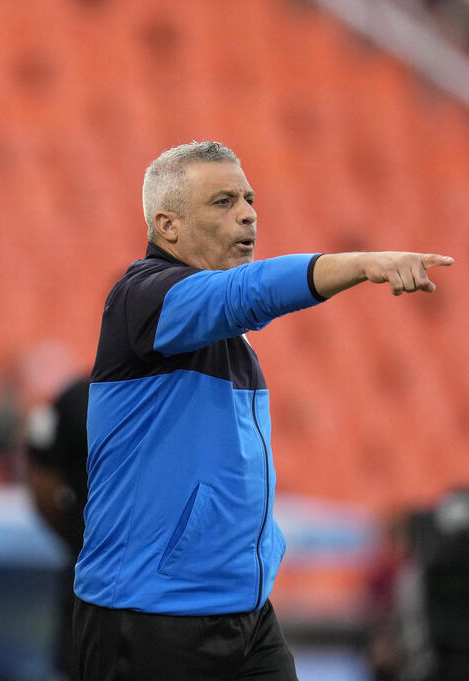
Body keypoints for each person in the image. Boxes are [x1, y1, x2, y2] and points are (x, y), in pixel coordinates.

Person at [73, 141, 454, 681]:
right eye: (223, 201)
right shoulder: (144, 297)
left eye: (249, 199)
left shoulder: (226, 336)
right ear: (169, 225)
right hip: (150, 616)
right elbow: (245, 294)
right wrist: (362, 264)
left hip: (246, 616)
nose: (249, 213)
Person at [26, 375, 90, 681]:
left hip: (90, 575)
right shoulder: (74, 400)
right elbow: (43, 486)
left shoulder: (76, 399)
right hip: (92, 578)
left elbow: (42, 489)